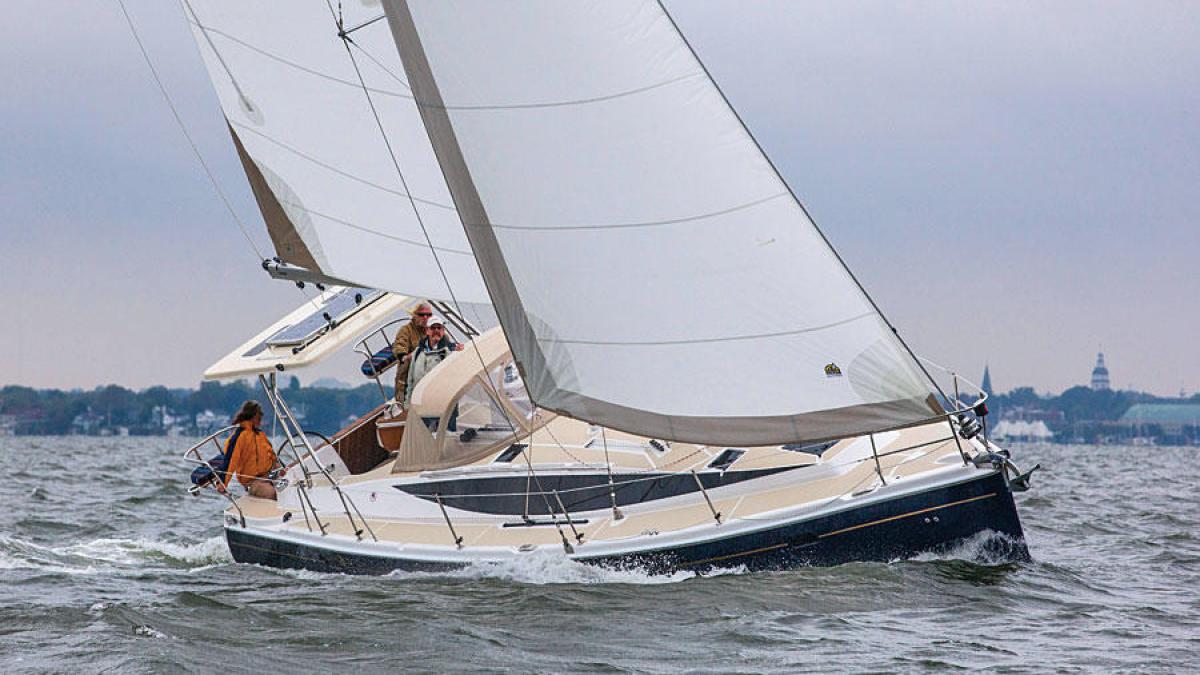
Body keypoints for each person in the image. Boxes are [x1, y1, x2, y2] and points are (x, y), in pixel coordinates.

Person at [222, 400, 281, 500]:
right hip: (253, 482)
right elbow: (230, 460)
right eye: (260, 415)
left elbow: (271, 455)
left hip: (270, 476)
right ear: (253, 415)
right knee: (272, 493)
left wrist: (279, 468)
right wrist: (222, 483)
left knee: (294, 487)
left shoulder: (260, 434)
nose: (261, 418)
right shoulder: (239, 436)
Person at [403, 316, 464, 409]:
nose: (436, 330)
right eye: (433, 328)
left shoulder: (451, 351)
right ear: (427, 331)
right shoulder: (418, 352)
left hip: (443, 407)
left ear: (443, 331)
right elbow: (410, 380)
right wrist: (407, 405)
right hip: (420, 406)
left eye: (439, 328)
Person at [393, 302, 433, 403]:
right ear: (414, 315)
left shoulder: (435, 329)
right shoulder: (406, 330)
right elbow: (399, 347)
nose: (425, 317)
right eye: (421, 314)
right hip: (409, 379)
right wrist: (405, 356)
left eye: (429, 315)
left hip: (431, 375)